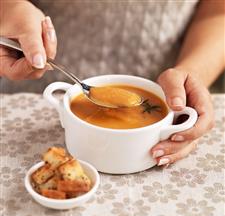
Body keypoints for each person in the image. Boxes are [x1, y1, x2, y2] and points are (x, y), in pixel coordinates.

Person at [0, 0, 224, 167]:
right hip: (26, 92)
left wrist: (192, 73)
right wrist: (8, 7)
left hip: (166, 87)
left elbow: (217, 12)